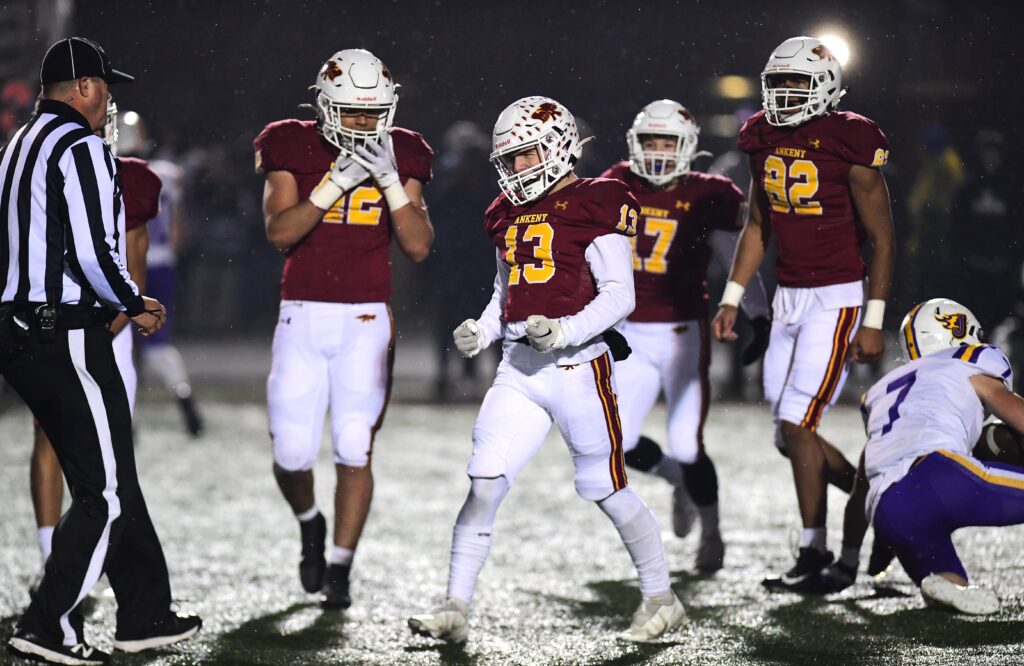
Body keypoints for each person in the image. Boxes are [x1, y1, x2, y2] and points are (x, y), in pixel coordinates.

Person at [407, 96, 684, 644]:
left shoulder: (597, 200)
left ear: (558, 149)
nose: (515, 171)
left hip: (580, 369)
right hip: (519, 369)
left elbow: (619, 296)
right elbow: (504, 292)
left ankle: (662, 597)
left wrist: (566, 329)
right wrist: (483, 330)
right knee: (484, 481)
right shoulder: (504, 212)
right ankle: (455, 606)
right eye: (508, 161)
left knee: (607, 489)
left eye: (526, 156)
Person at [3, 37, 200, 665]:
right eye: (105, 85)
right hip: (61, 330)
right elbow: (92, 249)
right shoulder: (79, 146)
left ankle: (144, 613)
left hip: (19, 327)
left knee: (112, 472)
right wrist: (134, 301)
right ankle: (46, 625)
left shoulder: (16, 145)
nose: (110, 98)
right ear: (84, 86)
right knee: (103, 491)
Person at [712, 36, 896, 588]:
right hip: (788, 297)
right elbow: (756, 225)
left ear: (828, 87)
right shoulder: (760, 135)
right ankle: (883, 505)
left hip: (836, 297)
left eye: (798, 83)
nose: (786, 94)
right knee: (788, 435)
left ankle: (816, 552)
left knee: (798, 424)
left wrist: (874, 319)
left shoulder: (851, 138)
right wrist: (730, 298)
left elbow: (883, 239)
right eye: (779, 84)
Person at [254, 48, 433, 609]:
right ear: (325, 106)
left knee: (355, 446)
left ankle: (339, 566)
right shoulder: (289, 141)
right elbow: (281, 232)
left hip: (366, 318)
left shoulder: (402, 150)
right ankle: (309, 521)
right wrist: (331, 185)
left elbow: (419, 245)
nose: (363, 122)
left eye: (373, 111)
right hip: (302, 314)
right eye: (352, 112)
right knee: (290, 451)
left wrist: (389, 181)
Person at [601, 99, 770, 572]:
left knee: (688, 441)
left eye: (666, 143)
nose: (656, 152)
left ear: (687, 148)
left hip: (682, 333)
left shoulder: (708, 192)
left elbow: (735, 256)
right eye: (649, 142)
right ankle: (678, 479)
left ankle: (713, 533)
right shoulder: (616, 183)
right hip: (627, 332)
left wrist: (757, 312)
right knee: (617, 441)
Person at [818, 299, 1024, 615]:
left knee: (951, 585)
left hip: (887, 509)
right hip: (940, 475)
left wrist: (848, 560)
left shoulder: (882, 392)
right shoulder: (968, 363)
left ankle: (942, 584)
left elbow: (859, 494)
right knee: (997, 442)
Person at [29, 99, 160, 594]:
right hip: (56, 324)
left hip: (104, 331)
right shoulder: (42, 173)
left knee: (106, 458)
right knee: (47, 437)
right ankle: (53, 560)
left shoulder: (130, 178)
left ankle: (93, 563)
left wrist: (94, 338)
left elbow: (134, 277)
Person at [115, 108, 204, 436]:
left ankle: (126, 420)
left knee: (117, 342)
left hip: (123, 266)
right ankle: (186, 404)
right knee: (158, 344)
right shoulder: (167, 173)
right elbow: (178, 230)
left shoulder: (108, 172)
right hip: (163, 264)